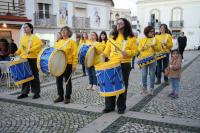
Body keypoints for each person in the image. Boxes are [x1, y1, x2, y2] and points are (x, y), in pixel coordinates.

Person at [102, 18, 138, 114]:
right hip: (112, 64)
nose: (118, 24)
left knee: (122, 85)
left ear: (125, 24)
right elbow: (106, 51)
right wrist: (100, 55)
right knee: (110, 85)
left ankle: (121, 107)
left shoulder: (131, 37)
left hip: (124, 64)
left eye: (121, 23)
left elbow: (135, 51)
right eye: (117, 23)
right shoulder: (112, 36)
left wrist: (127, 52)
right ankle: (109, 106)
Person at [14, 23, 43, 99]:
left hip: (33, 58)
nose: (24, 29)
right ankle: (24, 92)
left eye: (26, 27)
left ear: (31, 28)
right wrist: (16, 53)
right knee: (24, 76)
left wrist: (31, 50)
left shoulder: (34, 37)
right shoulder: (23, 38)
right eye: (24, 28)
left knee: (34, 75)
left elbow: (40, 45)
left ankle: (36, 92)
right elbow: (21, 48)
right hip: (24, 58)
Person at [53, 26, 78, 104]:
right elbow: (55, 54)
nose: (63, 32)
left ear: (69, 32)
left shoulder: (72, 42)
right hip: (59, 64)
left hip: (68, 64)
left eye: (65, 30)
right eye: (62, 30)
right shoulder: (58, 42)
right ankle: (60, 96)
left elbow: (75, 54)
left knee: (67, 81)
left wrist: (74, 65)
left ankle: (67, 97)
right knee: (58, 81)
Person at [138, 26, 160, 95]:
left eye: (153, 31)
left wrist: (154, 47)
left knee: (152, 74)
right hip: (144, 59)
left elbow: (159, 49)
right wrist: (142, 48)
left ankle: (151, 89)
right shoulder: (142, 40)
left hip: (152, 59)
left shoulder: (155, 39)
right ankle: (144, 88)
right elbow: (138, 48)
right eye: (151, 31)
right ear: (147, 32)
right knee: (144, 74)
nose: (152, 33)